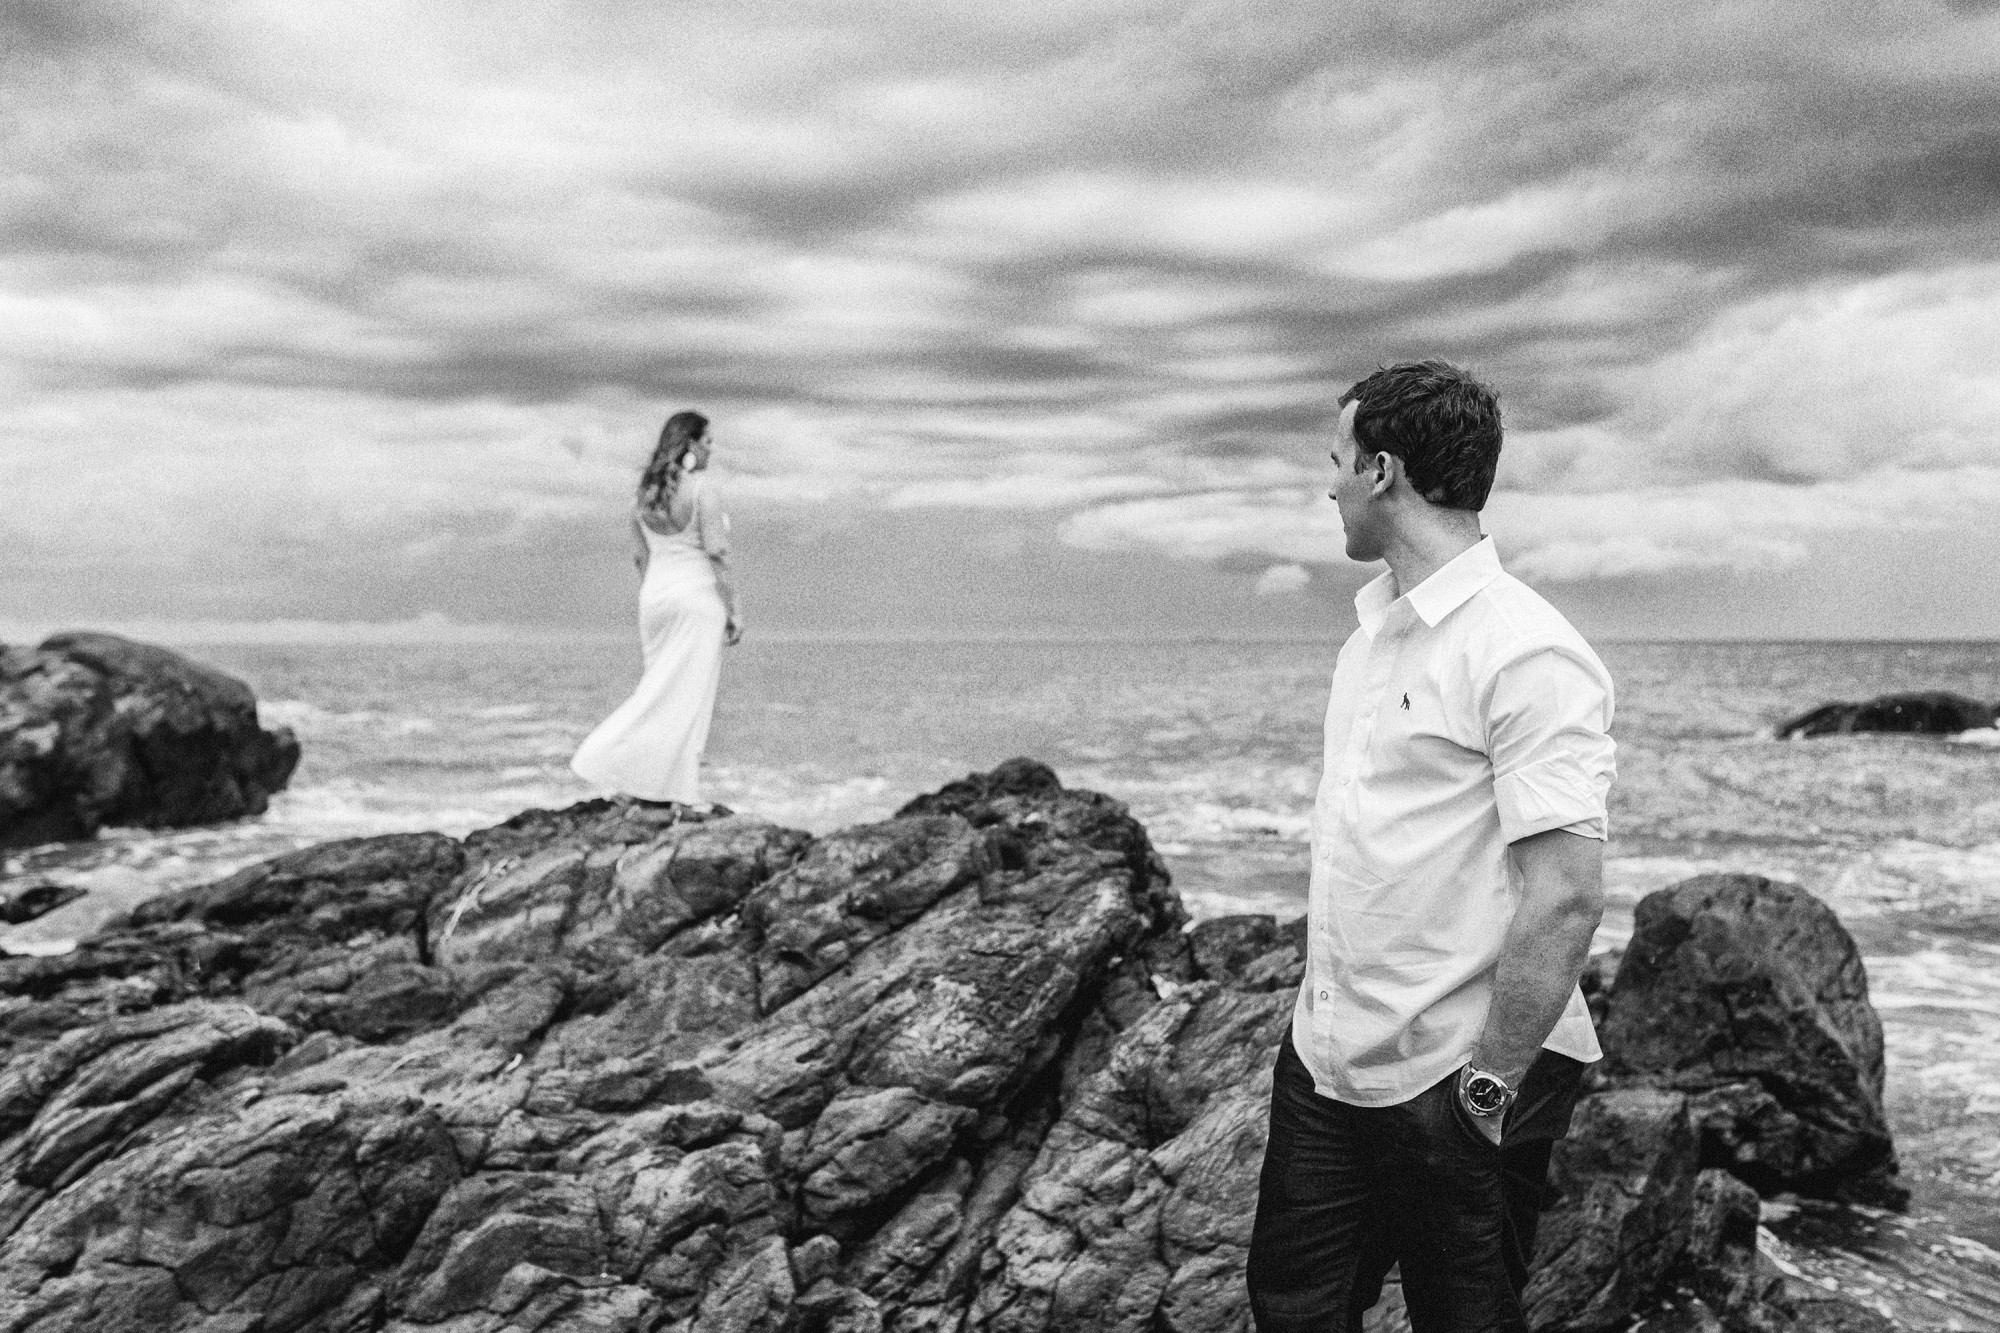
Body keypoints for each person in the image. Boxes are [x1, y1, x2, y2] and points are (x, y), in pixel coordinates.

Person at [1245, 361, 1617, 1333]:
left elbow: (1567, 892)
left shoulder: (1525, 650)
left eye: (1335, 461)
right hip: (1326, 1064)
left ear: (1381, 471)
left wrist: (1484, 1092)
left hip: (1453, 1080)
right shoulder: (1368, 640)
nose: (1325, 485)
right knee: (1291, 1310)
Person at [571, 409, 743, 807]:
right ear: (691, 444)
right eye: (708, 442)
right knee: (688, 696)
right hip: (695, 599)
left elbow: (639, 558)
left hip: (655, 598)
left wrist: (658, 592)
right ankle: (629, 767)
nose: (711, 450)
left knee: (658, 689)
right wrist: (736, 608)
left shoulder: (644, 495)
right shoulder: (703, 491)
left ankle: (654, 788)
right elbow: (717, 551)